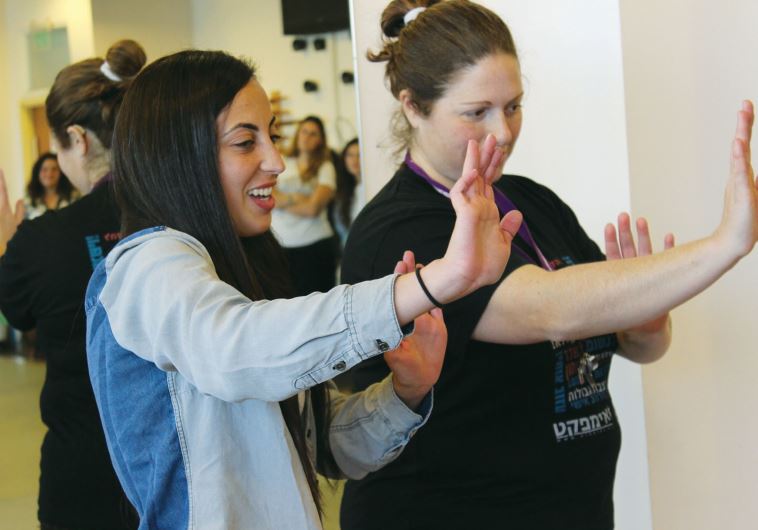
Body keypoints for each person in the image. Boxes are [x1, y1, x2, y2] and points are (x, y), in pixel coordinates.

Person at [338, 2, 758, 529]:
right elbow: (549, 311)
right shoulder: (397, 230)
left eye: (513, 106)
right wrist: (724, 244)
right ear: (413, 106)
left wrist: (645, 322)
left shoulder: (530, 202)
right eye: (478, 112)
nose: (504, 131)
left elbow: (638, 344)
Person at [84, 49, 522, 530]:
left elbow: (323, 445)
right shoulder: (149, 262)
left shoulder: (239, 266)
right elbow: (235, 350)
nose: (277, 161)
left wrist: (406, 391)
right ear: (179, 156)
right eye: (245, 142)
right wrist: (435, 281)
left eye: (272, 136)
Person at [0, 40, 146, 529]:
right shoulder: (177, 214)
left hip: (83, 470)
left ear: (78, 139)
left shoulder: (40, 239)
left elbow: (16, 312)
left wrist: (5, 248)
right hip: (172, 463)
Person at [271, 116, 339, 295]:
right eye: (304, 131)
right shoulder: (281, 162)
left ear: (320, 140)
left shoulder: (326, 167)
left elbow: (313, 209)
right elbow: (270, 198)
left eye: (313, 133)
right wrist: (298, 197)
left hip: (315, 248)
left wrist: (283, 199)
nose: (307, 137)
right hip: (281, 248)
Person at [24, 152, 78, 220]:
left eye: (54, 169)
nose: (49, 173)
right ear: (37, 173)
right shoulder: (29, 200)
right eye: (44, 169)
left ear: (61, 172)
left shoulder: (73, 197)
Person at [331, 137, 361, 248]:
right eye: (350, 155)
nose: (355, 160)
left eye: (359, 155)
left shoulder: (369, 188)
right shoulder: (343, 190)